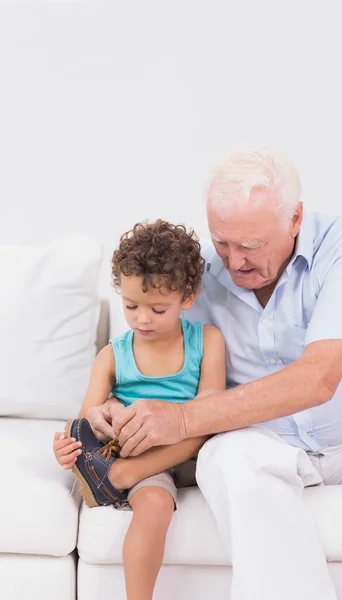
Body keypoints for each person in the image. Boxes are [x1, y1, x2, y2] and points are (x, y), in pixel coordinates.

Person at [85, 148, 342, 600]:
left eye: (250, 246)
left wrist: (184, 419)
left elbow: (318, 379)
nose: (234, 263)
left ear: (295, 220)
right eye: (223, 242)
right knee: (227, 459)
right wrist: (114, 408)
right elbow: (147, 354)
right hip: (263, 440)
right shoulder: (202, 274)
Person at [53, 219, 225, 600]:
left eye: (158, 309)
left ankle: (117, 477)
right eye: (131, 306)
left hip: (195, 445)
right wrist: (70, 445)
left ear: (188, 296)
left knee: (211, 419)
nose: (142, 318)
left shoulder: (208, 341)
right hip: (144, 451)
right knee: (153, 507)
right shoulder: (113, 354)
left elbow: (211, 413)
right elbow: (85, 423)